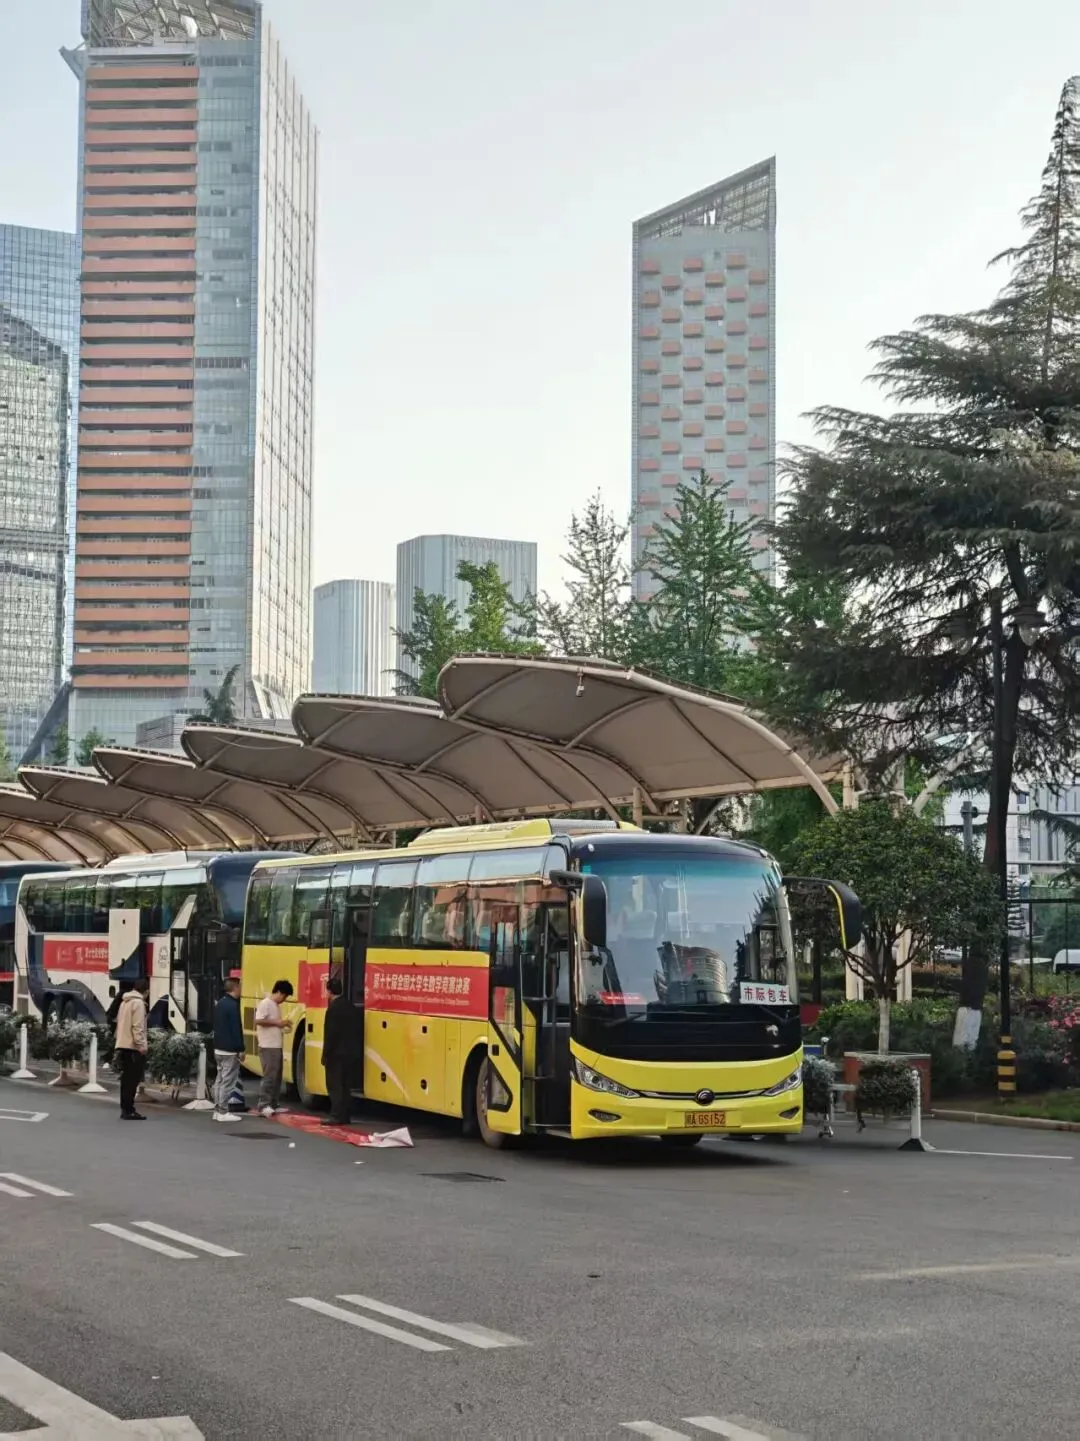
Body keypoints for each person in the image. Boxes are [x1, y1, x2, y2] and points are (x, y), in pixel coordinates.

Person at [322, 975, 363, 1126]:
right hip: (351, 1053)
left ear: (329, 992)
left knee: (335, 1086)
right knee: (346, 1086)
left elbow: (330, 1035)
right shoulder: (351, 1007)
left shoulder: (332, 1009)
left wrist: (325, 1053)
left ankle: (336, 1115)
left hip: (336, 1054)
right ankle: (345, 1115)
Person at [255, 979, 293, 1118]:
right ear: (279, 992)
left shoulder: (276, 1006)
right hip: (267, 1046)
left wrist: (282, 1026)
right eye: (284, 996)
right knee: (269, 1076)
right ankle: (263, 1104)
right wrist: (278, 1023)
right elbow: (258, 1020)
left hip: (276, 1045)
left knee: (277, 1077)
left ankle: (273, 1103)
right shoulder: (266, 1004)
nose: (284, 999)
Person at [114, 977, 149, 1121]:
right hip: (133, 1046)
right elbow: (138, 1027)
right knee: (132, 1080)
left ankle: (125, 1108)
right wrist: (142, 1046)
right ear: (145, 991)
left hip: (122, 1044)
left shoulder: (125, 1001)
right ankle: (129, 1110)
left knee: (125, 1080)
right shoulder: (139, 1003)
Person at [211, 977, 245, 1124]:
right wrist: (241, 1049)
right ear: (235, 988)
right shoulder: (232, 1006)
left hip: (218, 1048)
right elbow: (235, 1029)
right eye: (240, 987)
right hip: (230, 1050)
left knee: (219, 1080)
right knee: (227, 1081)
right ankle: (223, 1111)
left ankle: (217, 1110)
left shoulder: (220, 1004)